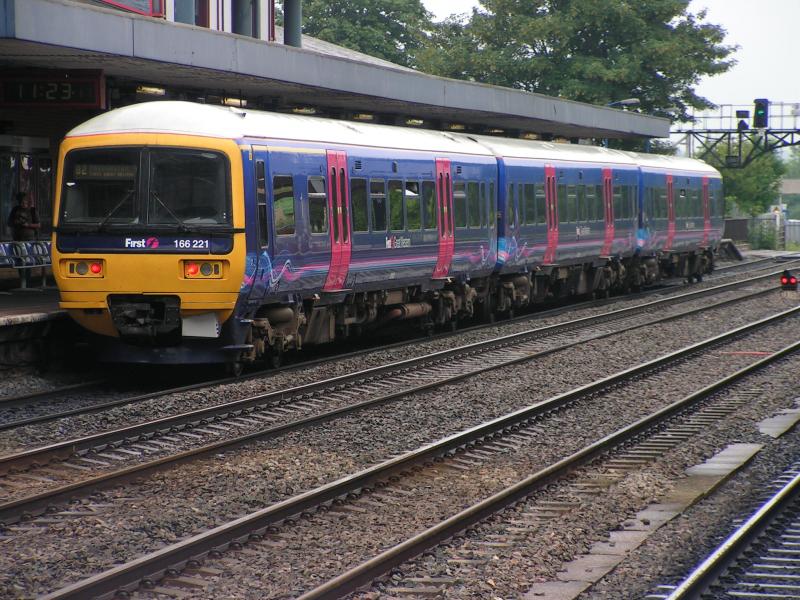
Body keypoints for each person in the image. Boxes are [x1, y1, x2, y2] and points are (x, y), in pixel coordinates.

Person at [8, 192, 40, 288]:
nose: (23, 203)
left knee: (27, 260)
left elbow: (38, 225)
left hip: (29, 239)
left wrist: (28, 225)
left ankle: (27, 281)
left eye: (24, 201)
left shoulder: (32, 211)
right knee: (19, 259)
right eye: (21, 201)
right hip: (18, 238)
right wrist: (16, 222)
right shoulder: (15, 210)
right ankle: (22, 280)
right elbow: (9, 222)